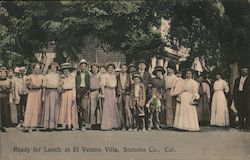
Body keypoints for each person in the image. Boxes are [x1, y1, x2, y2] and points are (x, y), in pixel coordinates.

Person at [23, 63, 44, 132]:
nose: (37, 69)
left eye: (38, 68)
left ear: (40, 69)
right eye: (36, 68)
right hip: (32, 93)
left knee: (38, 108)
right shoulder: (29, 76)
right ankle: (28, 124)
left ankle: (36, 125)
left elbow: (44, 86)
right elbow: (26, 85)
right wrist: (30, 88)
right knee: (30, 108)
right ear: (33, 69)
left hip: (39, 93)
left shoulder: (42, 77)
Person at [58, 63, 78, 130]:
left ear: (70, 71)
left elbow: (74, 87)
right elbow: (59, 89)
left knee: (71, 108)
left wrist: (74, 96)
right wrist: (61, 83)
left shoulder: (72, 78)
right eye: (65, 71)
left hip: (70, 93)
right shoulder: (61, 78)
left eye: (67, 71)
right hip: (64, 93)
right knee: (65, 108)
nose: (66, 72)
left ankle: (72, 123)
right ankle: (66, 123)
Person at [100, 63, 121, 130]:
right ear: (107, 69)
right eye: (109, 68)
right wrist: (103, 94)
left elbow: (116, 85)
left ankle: (113, 125)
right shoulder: (104, 76)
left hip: (113, 91)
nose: (110, 69)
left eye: (112, 68)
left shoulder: (115, 76)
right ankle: (107, 125)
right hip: (107, 91)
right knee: (107, 108)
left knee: (113, 107)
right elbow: (102, 86)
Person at [41, 62, 60, 131]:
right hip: (48, 93)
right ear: (49, 68)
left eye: (54, 68)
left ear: (56, 69)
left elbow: (60, 85)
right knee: (48, 108)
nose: (53, 69)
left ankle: (54, 125)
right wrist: (43, 96)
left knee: (55, 108)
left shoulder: (58, 76)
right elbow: (44, 86)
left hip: (55, 93)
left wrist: (59, 87)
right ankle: (47, 125)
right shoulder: (46, 76)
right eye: (51, 68)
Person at [117, 63, 133, 131]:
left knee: (127, 109)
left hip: (127, 94)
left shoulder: (129, 76)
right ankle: (123, 125)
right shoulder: (117, 76)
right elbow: (116, 86)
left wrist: (129, 93)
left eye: (124, 68)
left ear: (126, 69)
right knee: (121, 109)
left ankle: (130, 125)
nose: (123, 69)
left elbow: (132, 86)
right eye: (122, 68)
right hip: (120, 94)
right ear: (120, 68)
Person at [75, 59, 90, 131]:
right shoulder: (77, 74)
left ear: (86, 67)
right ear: (80, 66)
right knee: (78, 108)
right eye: (82, 65)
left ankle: (84, 124)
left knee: (84, 107)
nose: (83, 67)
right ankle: (79, 124)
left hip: (85, 91)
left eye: (84, 66)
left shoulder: (88, 74)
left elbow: (90, 83)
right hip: (78, 91)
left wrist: (87, 90)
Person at [89, 64, 101, 128]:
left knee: (98, 108)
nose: (94, 69)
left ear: (98, 69)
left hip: (98, 91)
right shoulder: (90, 76)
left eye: (95, 68)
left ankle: (99, 123)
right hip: (92, 92)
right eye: (93, 68)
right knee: (92, 108)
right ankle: (93, 123)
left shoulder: (100, 76)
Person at [0, 64, 12, 132]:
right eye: (1, 73)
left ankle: (3, 125)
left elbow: (10, 89)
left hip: (5, 97)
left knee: (5, 111)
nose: (2, 74)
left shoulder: (8, 81)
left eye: (4, 73)